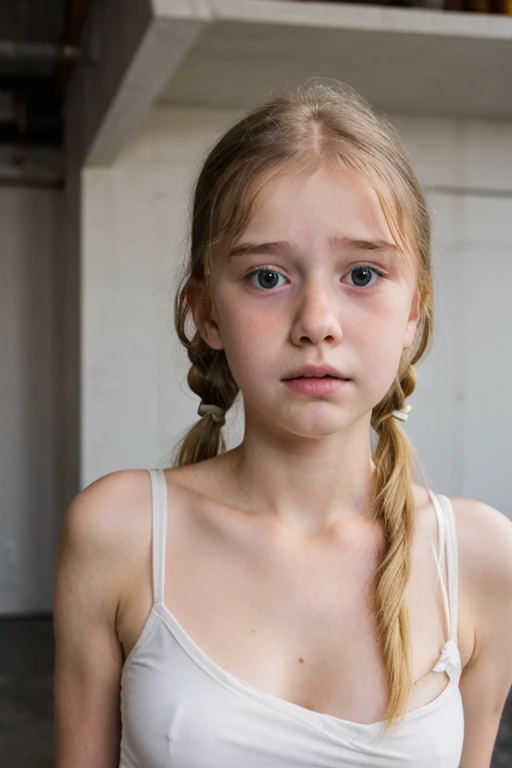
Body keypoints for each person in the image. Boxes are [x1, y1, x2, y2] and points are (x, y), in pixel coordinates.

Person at [53, 79, 512, 767]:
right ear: (206, 313)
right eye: (267, 278)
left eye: (362, 274)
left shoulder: (480, 558)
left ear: (416, 309)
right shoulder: (120, 531)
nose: (317, 324)